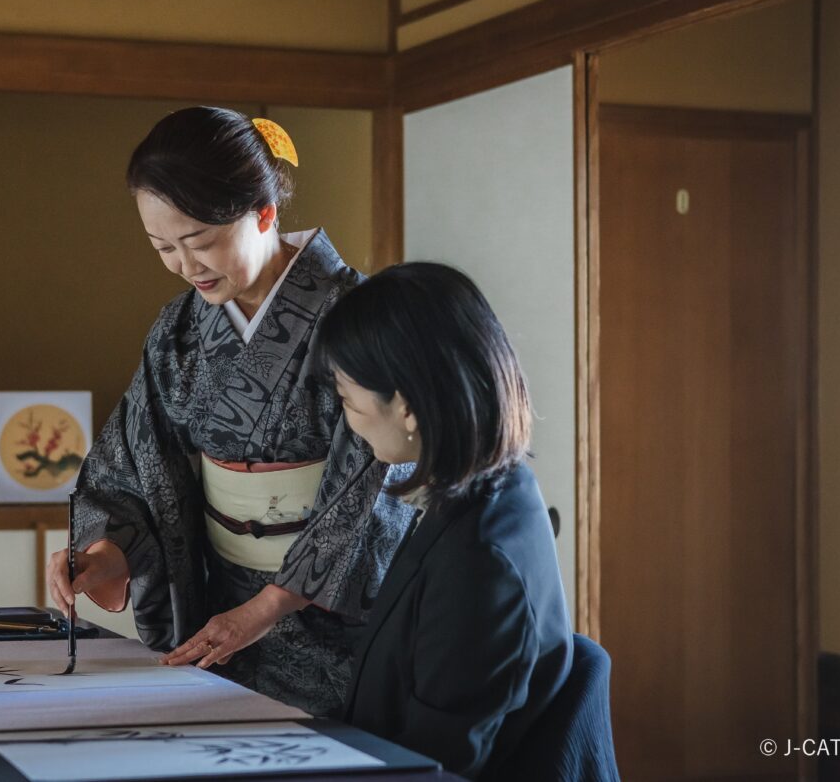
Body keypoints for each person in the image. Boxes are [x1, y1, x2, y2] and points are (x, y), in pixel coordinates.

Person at [45, 106, 412, 716]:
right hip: (224, 617)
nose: (185, 267)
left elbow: (376, 483)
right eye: (163, 247)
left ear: (263, 213)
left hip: (341, 626)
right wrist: (103, 556)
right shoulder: (177, 330)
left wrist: (268, 607)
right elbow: (137, 462)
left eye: (200, 242)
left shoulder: (361, 317)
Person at [317, 262, 573, 779]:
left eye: (347, 398)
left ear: (406, 407)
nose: (346, 417)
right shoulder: (493, 490)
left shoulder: (480, 562)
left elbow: (434, 763)